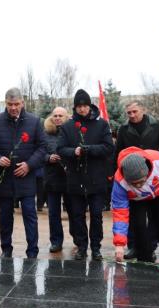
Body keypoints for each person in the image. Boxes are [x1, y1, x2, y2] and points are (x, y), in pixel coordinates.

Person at [0, 87, 46, 258]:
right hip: (4, 179)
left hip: (26, 178)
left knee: (30, 215)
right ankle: (6, 249)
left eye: (17, 104)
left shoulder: (34, 122)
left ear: (22, 103)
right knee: (5, 217)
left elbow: (42, 148)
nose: (13, 107)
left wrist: (29, 165)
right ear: (5, 103)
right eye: (10, 104)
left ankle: (32, 251)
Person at [112, 147, 159, 273]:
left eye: (141, 181)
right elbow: (120, 212)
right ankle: (145, 261)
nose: (139, 186)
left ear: (146, 171)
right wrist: (119, 244)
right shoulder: (119, 182)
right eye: (134, 183)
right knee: (139, 226)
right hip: (136, 200)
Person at [57, 89, 114, 260]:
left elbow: (108, 148)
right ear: (75, 108)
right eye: (79, 106)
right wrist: (73, 151)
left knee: (96, 215)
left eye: (85, 106)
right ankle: (82, 246)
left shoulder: (102, 124)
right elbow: (60, 149)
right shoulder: (68, 126)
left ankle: (96, 247)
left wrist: (89, 150)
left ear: (90, 106)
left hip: (96, 178)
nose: (82, 109)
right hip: (76, 178)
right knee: (77, 215)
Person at [115, 101, 159, 259]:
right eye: (129, 113)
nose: (132, 115)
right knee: (137, 220)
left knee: (156, 219)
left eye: (135, 111)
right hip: (133, 180)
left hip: (155, 179)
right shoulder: (123, 129)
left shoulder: (157, 126)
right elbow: (118, 153)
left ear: (143, 109)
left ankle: (151, 248)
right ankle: (136, 248)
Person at [43, 107, 73, 253]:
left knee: (74, 212)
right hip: (52, 178)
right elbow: (39, 152)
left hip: (70, 178)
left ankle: (78, 239)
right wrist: (48, 158)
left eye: (61, 115)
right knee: (53, 213)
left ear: (67, 117)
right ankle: (56, 241)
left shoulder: (72, 131)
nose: (58, 118)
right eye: (55, 115)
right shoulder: (46, 133)